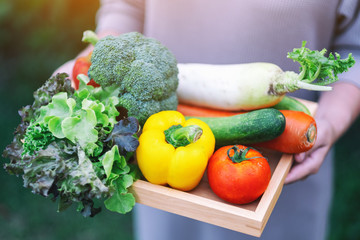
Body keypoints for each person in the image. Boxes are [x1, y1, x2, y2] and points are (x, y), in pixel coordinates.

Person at [54, 1, 360, 239]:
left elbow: (355, 51)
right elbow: (126, 6)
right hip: (158, 162)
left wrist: (329, 122)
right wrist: (101, 56)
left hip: (281, 173)